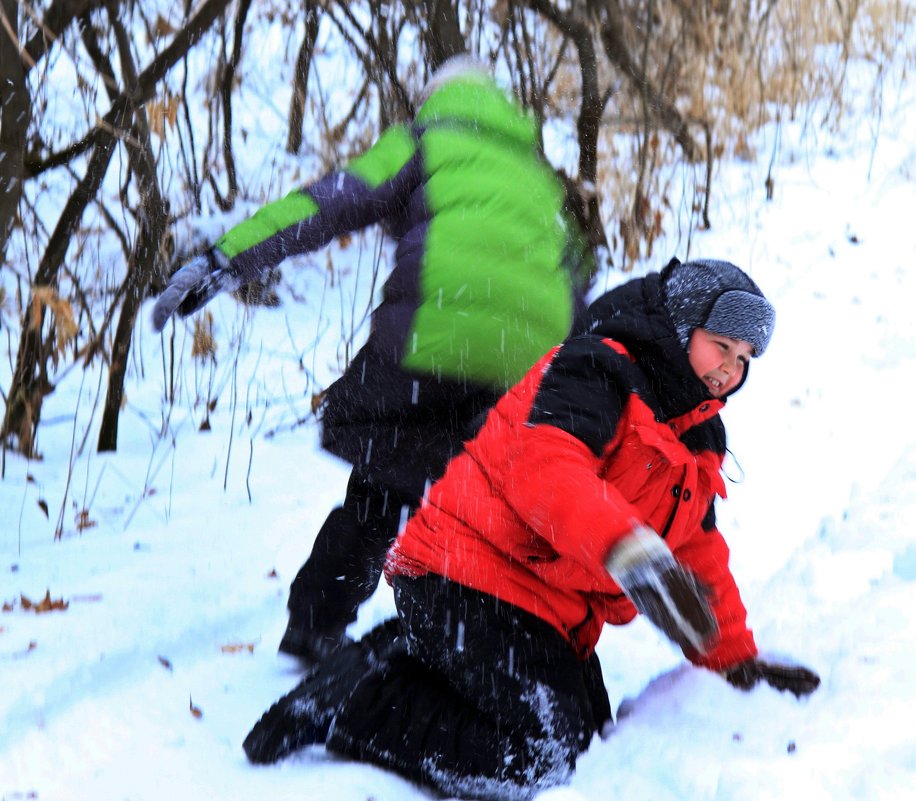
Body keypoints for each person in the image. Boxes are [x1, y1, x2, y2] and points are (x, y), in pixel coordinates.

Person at [242, 258, 821, 800]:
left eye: (745, 358)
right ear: (680, 325)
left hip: (545, 610)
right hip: (463, 577)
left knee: (591, 743)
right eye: (721, 345)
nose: (729, 368)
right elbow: (550, 470)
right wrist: (631, 553)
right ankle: (356, 702)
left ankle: (403, 653)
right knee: (543, 756)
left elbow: (696, 546)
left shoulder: (698, 433)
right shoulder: (596, 370)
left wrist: (735, 661)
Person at [150, 57, 589, 665]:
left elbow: (329, 204)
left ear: (436, 101)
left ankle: (316, 624)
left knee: (384, 487)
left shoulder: (427, 140)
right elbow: (575, 285)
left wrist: (227, 259)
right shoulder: (540, 177)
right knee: (488, 502)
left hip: (436, 332)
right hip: (526, 363)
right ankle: (478, 646)